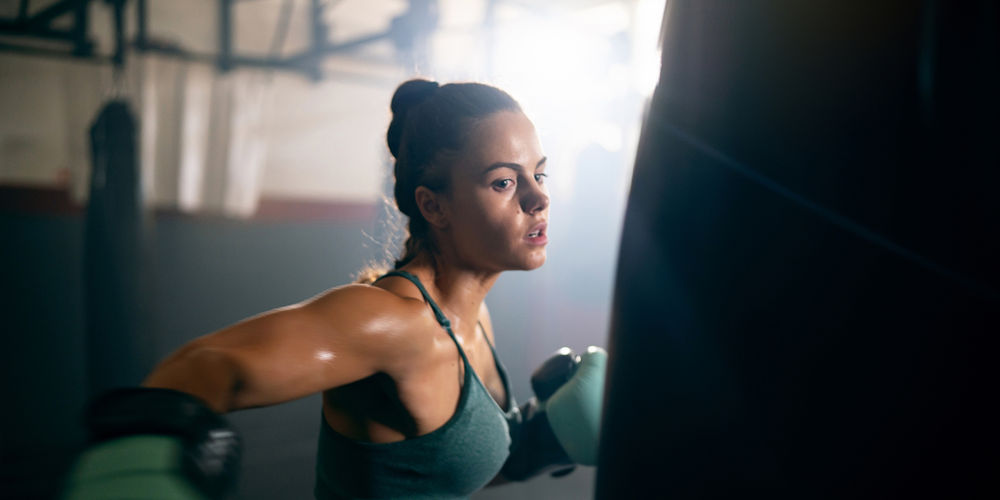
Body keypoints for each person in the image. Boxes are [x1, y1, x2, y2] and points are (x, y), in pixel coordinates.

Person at [62, 79, 606, 500]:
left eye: (540, 174)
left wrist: (538, 442)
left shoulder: (474, 320)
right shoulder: (391, 322)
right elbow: (206, 365)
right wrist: (140, 463)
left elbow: (438, 471)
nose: (538, 199)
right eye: (504, 182)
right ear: (433, 205)